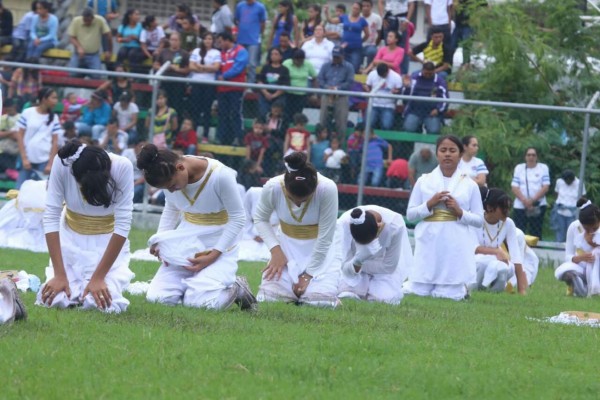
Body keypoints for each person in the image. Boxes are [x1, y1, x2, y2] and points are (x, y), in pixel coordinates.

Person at [137, 145, 257, 311]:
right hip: (186, 240)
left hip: (220, 241)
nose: (171, 190)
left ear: (180, 168)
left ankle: (237, 288)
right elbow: (171, 208)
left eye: (171, 185)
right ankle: (201, 286)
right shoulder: (169, 172)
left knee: (201, 304)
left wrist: (214, 254)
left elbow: (238, 218)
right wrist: (160, 239)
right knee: (158, 298)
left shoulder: (220, 175)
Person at [36, 139, 134, 313]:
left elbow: (123, 224)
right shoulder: (62, 163)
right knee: (56, 299)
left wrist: (98, 278)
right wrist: (59, 275)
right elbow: (51, 215)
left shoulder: (122, 166)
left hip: (105, 244)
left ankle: (103, 280)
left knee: (102, 304)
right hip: (70, 241)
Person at [254, 152, 341, 307]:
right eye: (292, 198)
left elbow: (326, 236)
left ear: (314, 189)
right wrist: (276, 252)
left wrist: (308, 275)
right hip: (286, 250)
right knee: (268, 300)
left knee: (319, 303)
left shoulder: (327, 188)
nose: (298, 203)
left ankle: (327, 293)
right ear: (285, 187)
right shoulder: (273, 187)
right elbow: (260, 218)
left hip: (321, 253)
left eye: (304, 200)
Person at [405, 135, 483, 300]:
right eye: (443, 150)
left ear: (460, 154)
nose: (447, 154)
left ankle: (457, 287)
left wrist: (460, 212)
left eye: (452, 150)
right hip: (429, 237)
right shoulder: (423, 181)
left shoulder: (470, 184)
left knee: (448, 293)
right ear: (437, 154)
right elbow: (410, 215)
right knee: (419, 289)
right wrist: (429, 204)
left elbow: (479, 220)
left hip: (456, 238)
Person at [336, 206, 412, 304]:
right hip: (356, 268)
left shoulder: (395, 224)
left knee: (382, 299)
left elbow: (389, 266)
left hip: (383, 271)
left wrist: (358, 264)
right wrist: (359, 259)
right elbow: (344, 265)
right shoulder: (344, 223)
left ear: (379, 227)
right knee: (346, 293)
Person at [474, 187, 528, 294]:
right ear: (489, 207)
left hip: (495, 262)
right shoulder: (476, 219)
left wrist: (521, 290)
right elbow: (472, 248)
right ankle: (477, 288)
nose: (507, 211)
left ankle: (494, 293)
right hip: (476, 263)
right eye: (503, 208)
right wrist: (496, 251)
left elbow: (516, 256)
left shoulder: (509, 223)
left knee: (505, 267)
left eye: (508, 208)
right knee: (482, 262)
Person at [15, 88, 61, 189]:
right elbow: (19, 135)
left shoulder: (55, 118)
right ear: (44, 99)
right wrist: (24, 158)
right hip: (27, 157)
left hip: (44, 160)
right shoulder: (28, 113)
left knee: (43, 189)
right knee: (19, 189)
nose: (56, 101)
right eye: (53, 98)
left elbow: (55, 142)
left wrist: (50, 163)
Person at [554, 198, 594, 297]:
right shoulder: (574, 227)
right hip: (579, 266)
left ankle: (585, 290)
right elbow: (568, 255)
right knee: (565, 272)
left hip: (596, 268)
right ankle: (574, 285)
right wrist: (580, 258)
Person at [216, 31, 248, 145]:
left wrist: (223, 76)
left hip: (236, 88)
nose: (219, 44)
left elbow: (238, 68)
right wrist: (218, 77)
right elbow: (217, 68)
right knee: (222, 113)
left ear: (227, 40)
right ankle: (221, 138)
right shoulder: (220, 53)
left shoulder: (241, 50)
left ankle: (238, 138)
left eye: (221, 42)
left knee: (236, 113)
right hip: (222, 89)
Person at [511, 147, 550, 239]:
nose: (531, 157)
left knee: (535, 232)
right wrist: (525, 201)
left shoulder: (543, 168)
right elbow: (514, 187)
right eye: (528, 155)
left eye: (533, 155)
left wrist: (532, 201)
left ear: (537, 157)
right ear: (525, 157)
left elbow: (545, 187)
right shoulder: (519, 168)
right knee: (519, 231)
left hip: (537, 205)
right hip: (520, 205)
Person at [318, 46, 355, 141]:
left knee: (341, 124)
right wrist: (328, 88)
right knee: (323, 122)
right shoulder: (325, 66)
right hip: (327, 95)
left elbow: (349, 82)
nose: (335, 59)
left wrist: (337, 88)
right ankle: (322, 144)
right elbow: (320, 79)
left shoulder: (349, 67)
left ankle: (340, 147)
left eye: (337, 57)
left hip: (341, 97)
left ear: (343, 56)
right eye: (334, 56)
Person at [189, 32, 221, 142]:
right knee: (195, 109)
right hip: (196, 83)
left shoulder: (216, 52)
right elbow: (191, 66)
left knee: (207, 110)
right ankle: (193, 134)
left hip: (209, 84)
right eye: (206, 38)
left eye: (210, 39)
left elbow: (216, 68)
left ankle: (205, 136)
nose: (208, 41)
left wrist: (200, 67)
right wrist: (206, 68)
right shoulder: (196, 51)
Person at [401, 62, 448, 134]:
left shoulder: (439, 81)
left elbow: (445, 98)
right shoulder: (414, 77)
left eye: (430, 74)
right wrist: (407, 87)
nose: (428, 75)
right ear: (422, 70)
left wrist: (438, 109)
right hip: (415, 111)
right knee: (408, 129)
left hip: (431, 112)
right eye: (426, 73)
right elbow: (406, 97)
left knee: (434, 131)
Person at [323, 2, 369, 72]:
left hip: (356, 48)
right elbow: (331, 21)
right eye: (354, 8)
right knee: (341, 66)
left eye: (357, 9)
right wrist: (326, 12)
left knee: (354, 67)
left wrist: (360, 41)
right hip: (344, 46)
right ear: (351, 8)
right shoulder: (344, 17)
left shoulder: (362, 21)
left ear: (360, 10)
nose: (355, 10)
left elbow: (367, 34)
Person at [67, 7, 112, 79]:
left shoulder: (100, 20)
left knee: (97, 75)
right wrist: (79, 47)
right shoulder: (76, 21)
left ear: (93, 18)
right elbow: (72, 37)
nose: (86, 22)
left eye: (88, 20)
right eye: (85, 20)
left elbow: (108, 35)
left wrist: (108, 50)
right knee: (72, 73)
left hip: (93, 55)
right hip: (78, 54)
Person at [154, 32, 190, 118]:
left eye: (176, 40)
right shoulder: (163, 52)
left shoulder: (184, 53)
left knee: (176, 106)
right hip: (165, 82)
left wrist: (177, 69)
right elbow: (155, 64)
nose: (174, 42)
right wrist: (163, 68)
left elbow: (188, 69)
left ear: (180, 41)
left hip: (178, 84)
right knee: (164, 104)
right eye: (172, 40)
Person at [282, 49, 317, 127]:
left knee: (297, 115)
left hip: (301, 95)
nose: (298, 62)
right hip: (288, 94)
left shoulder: (308, 65)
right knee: (286, 115)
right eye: (296, 60)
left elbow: (314, 78)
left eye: (300, 60)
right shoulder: (286, 63)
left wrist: (314, 93)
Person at [234, 0, 267, 83]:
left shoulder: (260, 7)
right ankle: (239, 82)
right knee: (239, 62)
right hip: (241, 39)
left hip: (253, 40)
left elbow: (263, 22)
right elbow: (237, 20)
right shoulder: (240, 6)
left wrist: (259, 34)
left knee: (252, 64)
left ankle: (250, 85)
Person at [364, 63, 402, 130]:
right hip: (373, 104)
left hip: (388, 105)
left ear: (388, 71)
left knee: (386, 125)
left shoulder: (396, 77)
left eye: (383, 75)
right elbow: (367, 86)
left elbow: (399, 91)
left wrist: (396, 92)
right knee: (368, 123)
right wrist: (366, 89)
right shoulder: (372, 74)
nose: (382, 76)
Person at [551, 169, 584, 243]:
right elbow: (556, 193)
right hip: (560, 210)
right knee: (560, 231)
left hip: (573, 211)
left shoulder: (579, 183)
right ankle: (558, 249)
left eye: (569, 181)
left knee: (572, 232)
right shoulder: (559, 182)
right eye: (566, 180)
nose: (567, 182)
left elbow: (583, 196)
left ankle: (571, 249)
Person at [257, 47, 290, 118]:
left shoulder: (284, 69)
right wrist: (266, 93)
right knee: (263, 113)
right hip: (265, 95)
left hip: (278, 96)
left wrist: (274, 95)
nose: (273, 56)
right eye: (272, 54)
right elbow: (260, 81)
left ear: (281, 56)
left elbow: (285, 85)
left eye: (276, 54)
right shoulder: (265, 67)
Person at [121, 138, 145, 203]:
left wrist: (141, 158)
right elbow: (122, 168)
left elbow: (144, 177)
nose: (142, 148)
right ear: (135, 146)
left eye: (144, 146)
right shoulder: (127, 152)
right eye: (141, 146)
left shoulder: (145, 156)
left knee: (134, 192)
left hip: (137, 182)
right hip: (126, 180)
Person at [0, 98, 20, 174]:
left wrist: (5, 132)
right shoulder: (2, 118)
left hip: (16, 152)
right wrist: (11, 132)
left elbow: (17, 136)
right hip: (2, 151)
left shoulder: (21, 118)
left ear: (14, 106)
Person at [360, 0, 382, 67]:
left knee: (371, 52)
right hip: (358, 44)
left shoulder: (377, 18)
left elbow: (380, 33)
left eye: (368, 6)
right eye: (363, 6)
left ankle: (368, 69)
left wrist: (375, 44)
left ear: (371, 7)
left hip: (371, 44)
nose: (365, 8)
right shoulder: (358, 17)